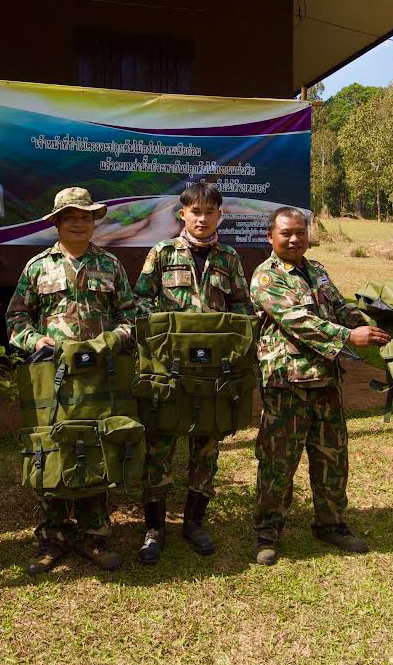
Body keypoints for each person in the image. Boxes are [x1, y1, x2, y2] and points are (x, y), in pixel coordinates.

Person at [6, 186, 137, 575]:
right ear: (58, 223)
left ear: (94, 222)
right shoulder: (37, 267)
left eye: (86, 216)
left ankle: (95, 535)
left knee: (96, 442)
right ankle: (53, 537)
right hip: (53, 376)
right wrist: (34, 340)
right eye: (71, 217)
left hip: (100, 375)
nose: (80, 223)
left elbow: (130, 317)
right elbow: (15, 319)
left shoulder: (111, 266)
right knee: (52, 446)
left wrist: (113, 340)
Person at [249, 207, 389, 566]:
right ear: (270, 237)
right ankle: (268, 531)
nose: (295, 239)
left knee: (332, 456)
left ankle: (331, 523)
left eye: (300, 232)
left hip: (325, 380)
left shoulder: (318, 271)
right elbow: (300, 321)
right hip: (286, 383)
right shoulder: (266, 277)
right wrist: (348, 335)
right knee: (278, 462)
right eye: (286, 234)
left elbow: (340, 308)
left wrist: (372, 324)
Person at [132, 181, 253, 564]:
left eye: (210, 212)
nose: (202, 219)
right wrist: (161, 344)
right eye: (195, 212)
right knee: (159, 448)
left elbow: (243, 310)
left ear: (220, 215)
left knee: (206, 449)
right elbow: (140, 303)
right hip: (171, 370)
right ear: (181, 214)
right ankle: (154, 528)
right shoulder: (162, 253)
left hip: (213, 373)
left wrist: (232, 350)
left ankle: (194, 522)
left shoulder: (229, 258)